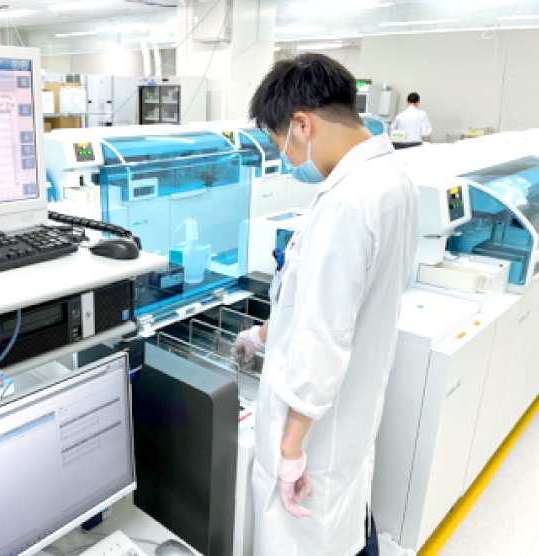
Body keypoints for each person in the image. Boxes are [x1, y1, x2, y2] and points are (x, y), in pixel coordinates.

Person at [232, 54, 419, 556]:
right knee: (346, 524)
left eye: (282, 145)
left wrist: (291, 448)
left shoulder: (345, 203)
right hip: (352, 410)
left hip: (317, 434)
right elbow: (325, 302)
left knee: (310, 534)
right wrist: (261, 334)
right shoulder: (391, 177)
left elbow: (323, 334)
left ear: (302, 124)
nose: (288, 158)